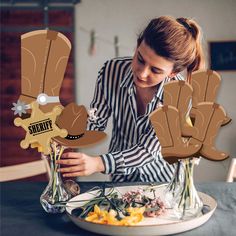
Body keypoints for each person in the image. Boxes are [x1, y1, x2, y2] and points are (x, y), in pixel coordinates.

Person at [57, 16, 205, 182]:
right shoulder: (111, 71)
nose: (142, 73)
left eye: (155, 70)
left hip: (162, 181)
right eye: (140, 59)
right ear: (137, 45)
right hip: (120, 178)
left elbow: (147, 151)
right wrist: (64, 133)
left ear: (172, 73)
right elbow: (96, 122)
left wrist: (98, 163)